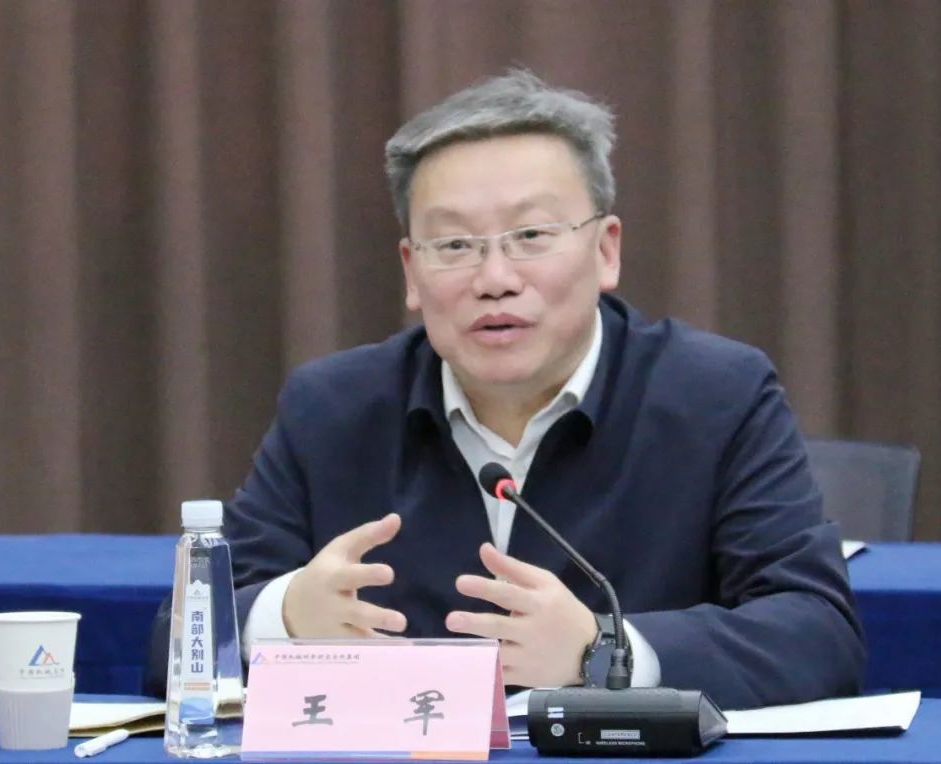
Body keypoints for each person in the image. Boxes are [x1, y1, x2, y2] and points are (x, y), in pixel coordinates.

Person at [146, 70, 865, 709]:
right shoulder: (333, 408)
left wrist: (605, 651)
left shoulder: (717, 395)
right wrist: (284, 615)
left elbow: (818, 633)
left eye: (531, 235)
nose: (494, 279)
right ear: (411, 270)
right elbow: (172, 647)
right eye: (455, 245)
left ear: (606, 249)